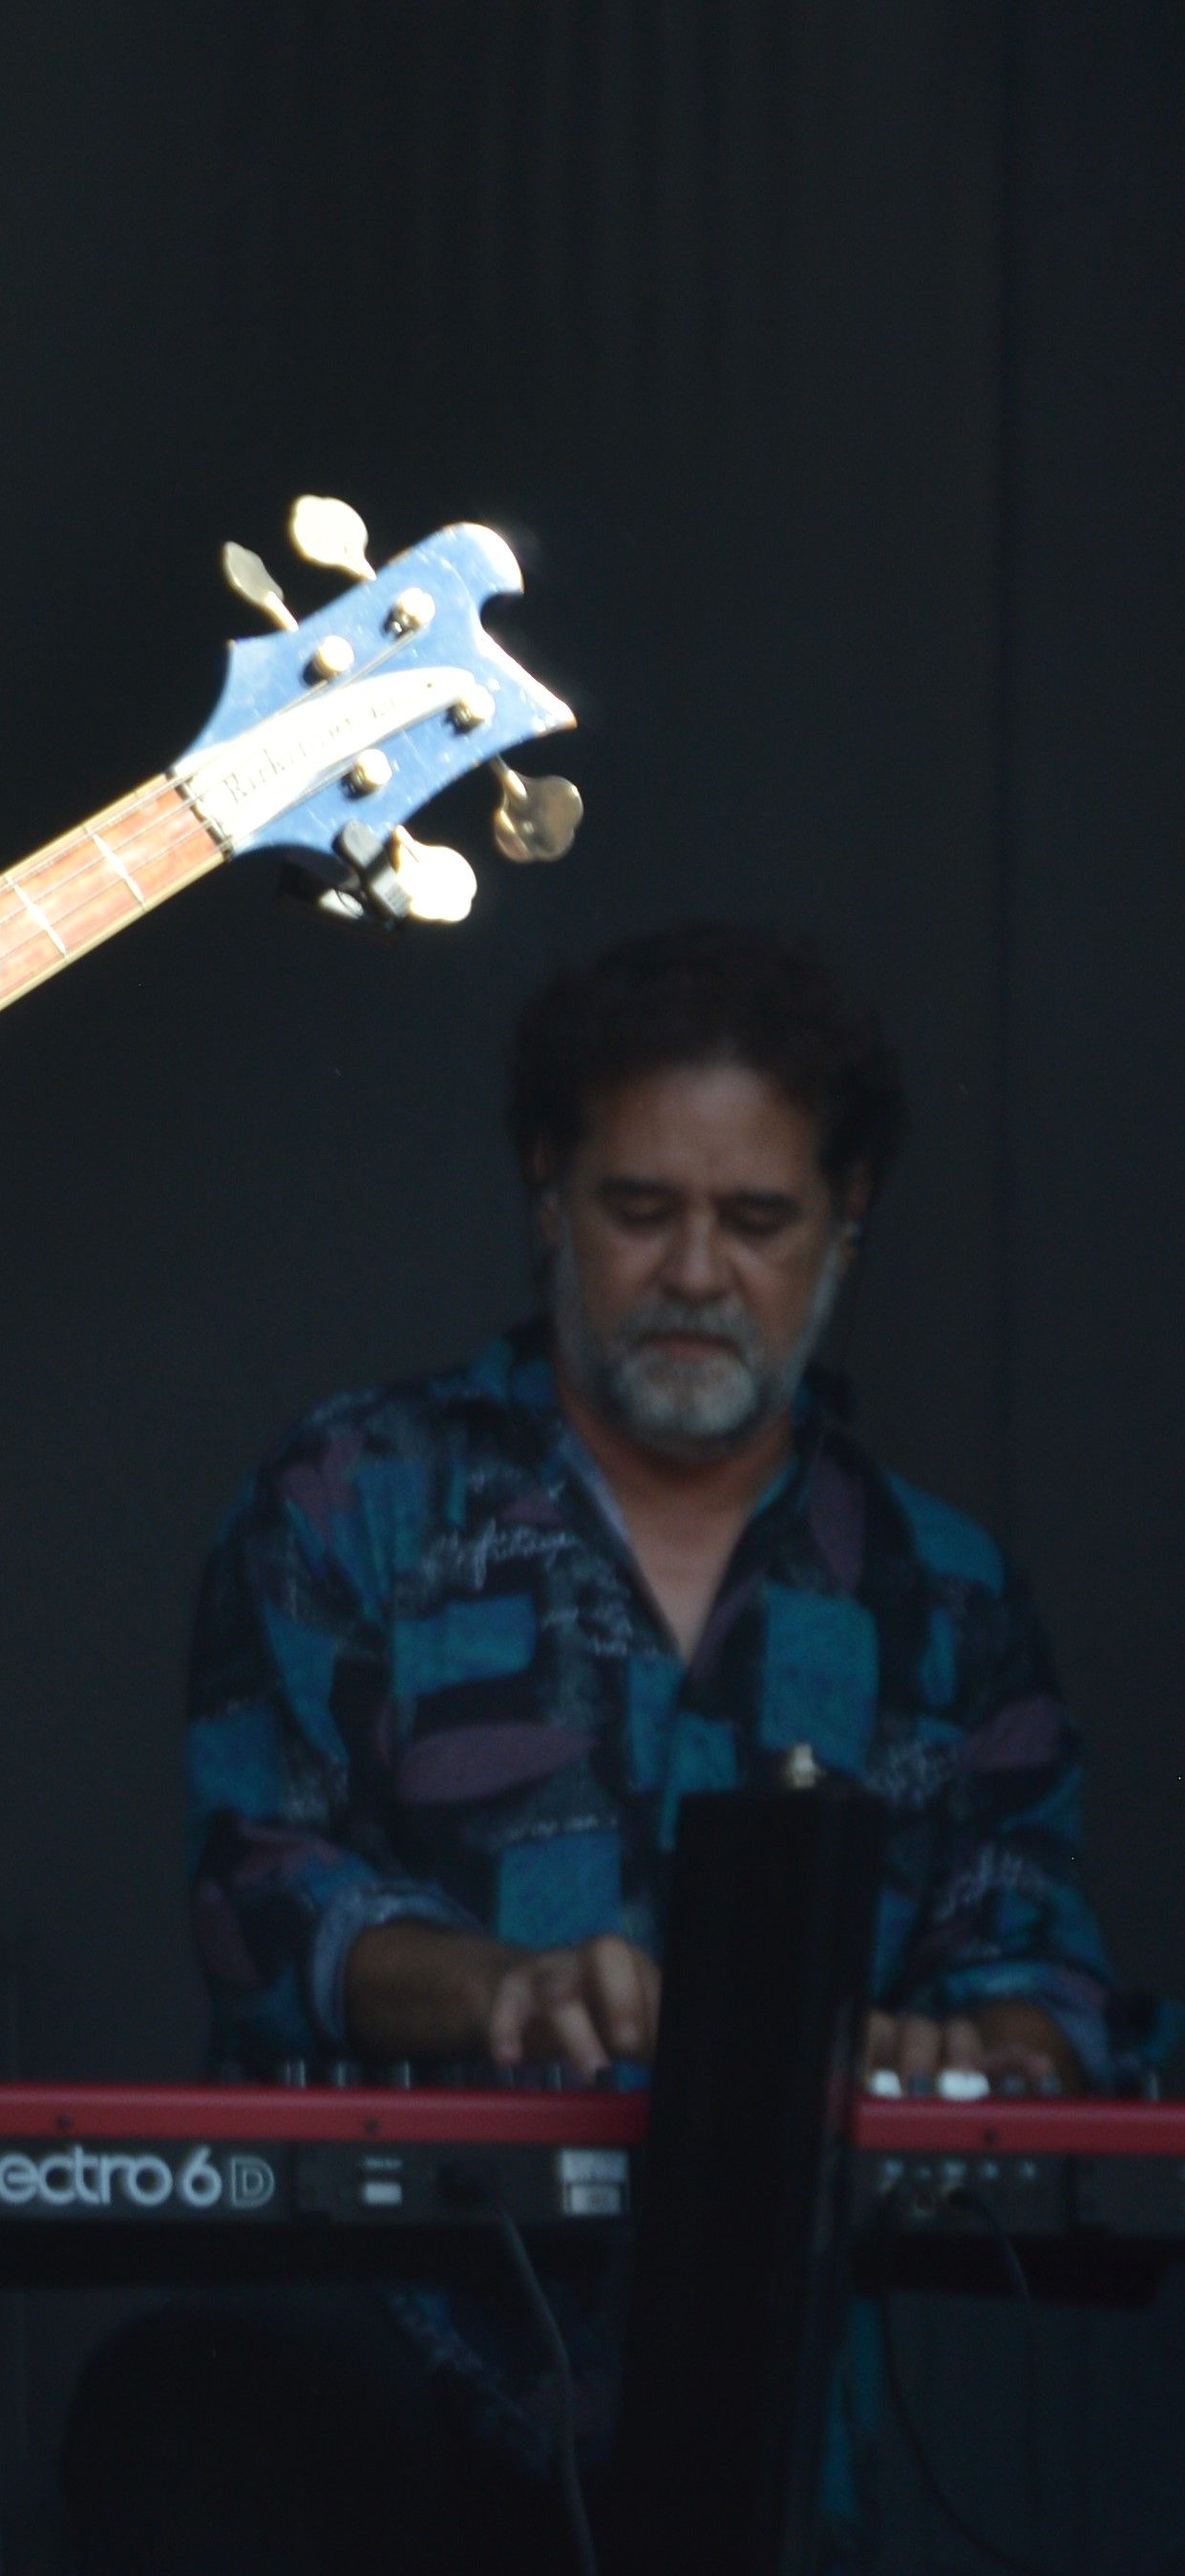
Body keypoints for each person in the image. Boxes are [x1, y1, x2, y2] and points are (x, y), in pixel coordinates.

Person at [65, 923, 1137, 2571]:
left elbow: (1045, 1980)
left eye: (756, 1219)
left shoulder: (944, 1593)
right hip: (383, 2388)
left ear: (843, 1224)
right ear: (543, 1187)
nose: (697, 1271)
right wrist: (503, 1987)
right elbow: (263, 1900)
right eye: (642, 1209)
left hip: (790, 2424)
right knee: (185, 2417)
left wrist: (964, 2046)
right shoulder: (349, 1498)